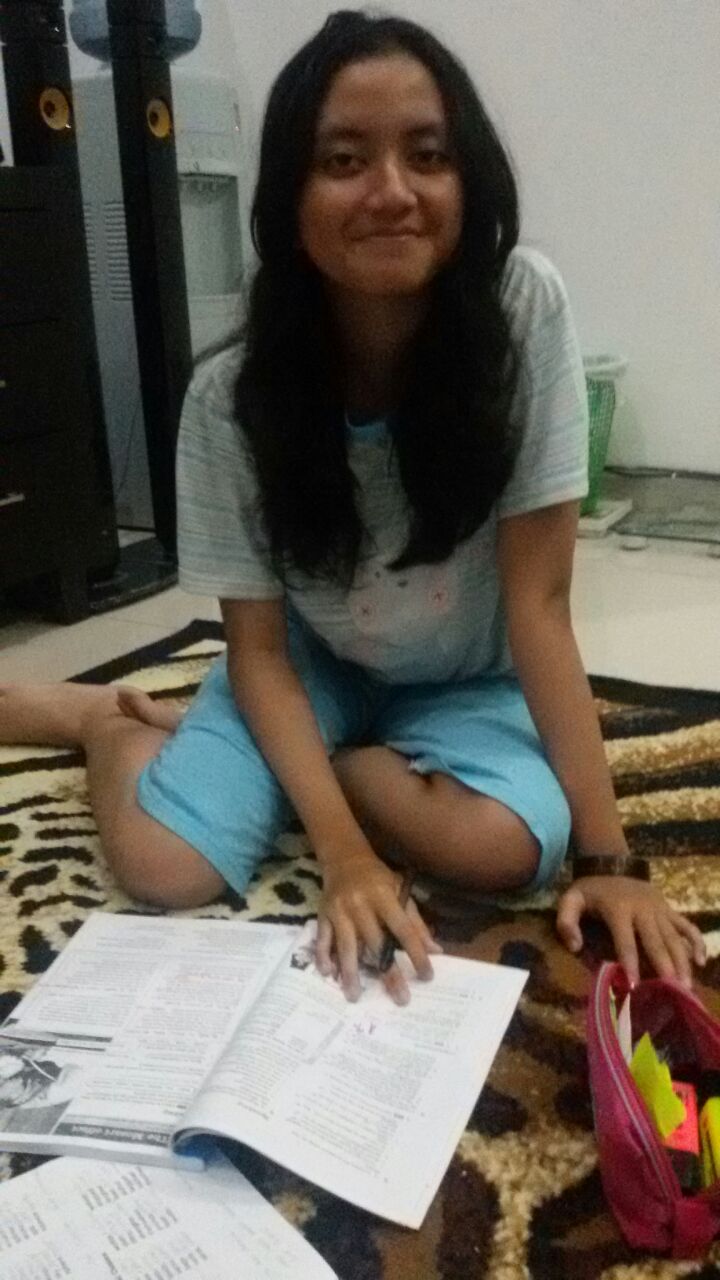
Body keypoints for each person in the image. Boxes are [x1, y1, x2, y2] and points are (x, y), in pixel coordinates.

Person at [0, 11, 705, 1006]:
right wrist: (343, 853)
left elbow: (540, 604)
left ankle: (289, 753)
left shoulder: (523, 312)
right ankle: (104, 724)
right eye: (343, 160)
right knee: (164, 866)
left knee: (504, 850)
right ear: (290, 197)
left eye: (428, 155)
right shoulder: (231, 397)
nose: (392, 191)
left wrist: (608, 860)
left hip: (470, 672)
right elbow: (258, 651)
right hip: (311, 663)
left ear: (470, 180)